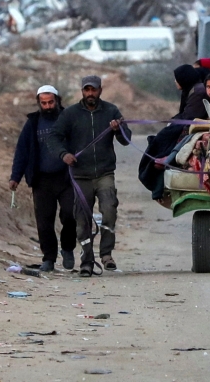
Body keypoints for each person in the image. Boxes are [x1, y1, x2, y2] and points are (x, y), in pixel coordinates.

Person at [47, 75, 131, 276]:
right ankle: (86, 261)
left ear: (100, 90)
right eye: (87, 90)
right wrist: (64, 154)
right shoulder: (70, 114)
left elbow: (126, 140)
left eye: (93, 90)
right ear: (82, 91)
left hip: (104, 173)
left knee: (109, 210)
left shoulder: (111, 111)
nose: (90, 94)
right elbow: (54, 137)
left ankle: (106, 254)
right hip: (80, 175)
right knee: (82, 219)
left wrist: (118, 129)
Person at [9, 85, 75, 273]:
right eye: (43, 103)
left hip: (67, 178)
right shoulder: (33, 123)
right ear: (39, 103)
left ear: (57, 100)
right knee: (44, 221)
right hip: (42, 180)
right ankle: (49, 259)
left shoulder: (68, 118)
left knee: (70, 215)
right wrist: (15, 177)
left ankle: (68, 248)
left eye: (50, 102)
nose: (47, 106)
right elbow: (22, 151)